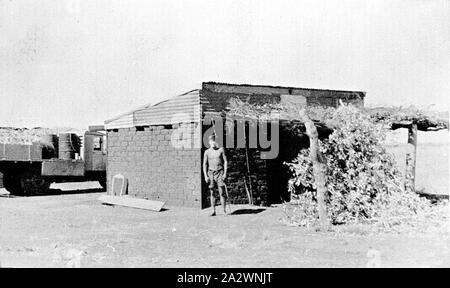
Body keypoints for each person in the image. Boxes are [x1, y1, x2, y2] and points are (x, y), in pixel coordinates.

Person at [203, 134, 228, 216]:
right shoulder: (207, 152)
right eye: (211, 141)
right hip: (211, 173)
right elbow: (205, 164)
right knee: (212, 193)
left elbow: (225, 161)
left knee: (222, 192)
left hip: (220, 172)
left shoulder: (221, 150)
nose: (213, 143)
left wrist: (225, 173)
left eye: (214, 140)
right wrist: (205, 176)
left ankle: (223, 210)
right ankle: (213, 211)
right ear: (209, 142)